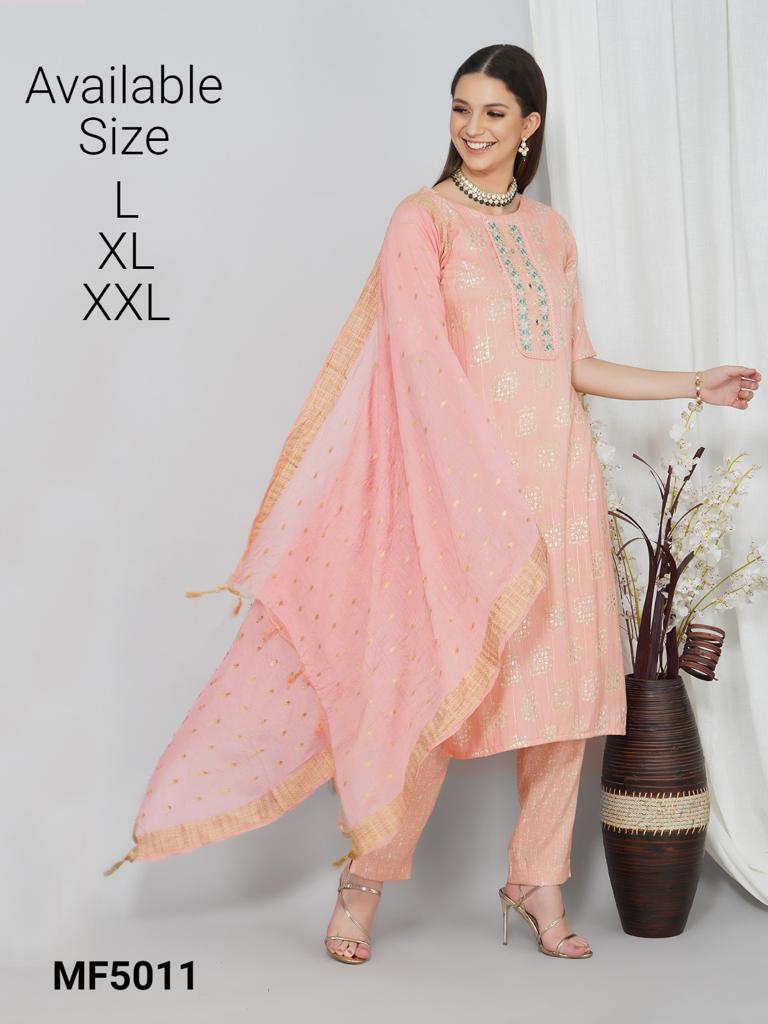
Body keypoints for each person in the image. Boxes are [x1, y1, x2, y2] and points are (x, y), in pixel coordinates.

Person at [103, 44, 760, 966]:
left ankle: (538, 880)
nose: (472, 128)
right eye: (461, 108)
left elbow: (574, 364)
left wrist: (695, 382)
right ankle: (363, 885)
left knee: (567, 702)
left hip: (561, 489)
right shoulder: (422, 221)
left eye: (494, 112)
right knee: (432, 697)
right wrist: (470, 490)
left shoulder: (551, 232)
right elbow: (416, 361)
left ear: (530, 126)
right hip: (463, 497)